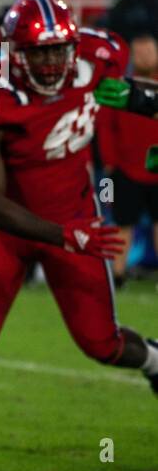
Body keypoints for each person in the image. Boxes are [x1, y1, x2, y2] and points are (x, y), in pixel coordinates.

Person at [0, 0, 158, 454]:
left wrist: (142, 100)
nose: (52, 61)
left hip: (75, 216)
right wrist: (64, 235)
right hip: (5, 231)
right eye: (39, 51)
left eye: (59, 49)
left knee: (102, 343)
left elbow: (128, 91)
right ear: (16, 52)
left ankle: (155, 360)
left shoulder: (100, 55)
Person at [97, 35, 158, 285]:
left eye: (149, 51)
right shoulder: (119, 87)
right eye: (140, 52)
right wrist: (110, 163)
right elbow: (104, 127)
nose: (144, 56)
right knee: (121, 223)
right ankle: (118, 275)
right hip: (124, 169)